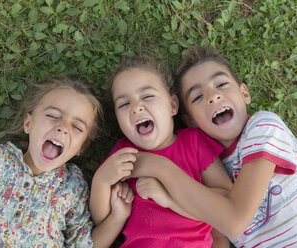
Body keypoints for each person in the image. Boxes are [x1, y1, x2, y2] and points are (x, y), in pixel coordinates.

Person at [130, 46, 297, 247]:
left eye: (221, 84)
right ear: (191, 121)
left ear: (244, 93)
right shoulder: (209, 169)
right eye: (198, 97)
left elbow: (235, 222)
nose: (213, 96)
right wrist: (169, 200)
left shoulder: (263, 127)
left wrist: (160, 167)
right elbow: (215, 215)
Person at [0, 75, 134, 248]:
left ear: (82, 147)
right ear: (28, 123)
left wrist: (117, 217)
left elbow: (84, 244)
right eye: (53, 115)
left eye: (77, 127)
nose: (63, 127)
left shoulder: (72, 185)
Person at [89, 57, 233, 247]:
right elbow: (102, 219)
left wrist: (169, 198)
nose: (136, 107)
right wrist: (101, 180)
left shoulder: (194, 142)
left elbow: (225, 200)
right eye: (124, 104)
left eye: (147, 96)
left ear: (173, 105)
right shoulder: (123, 152)